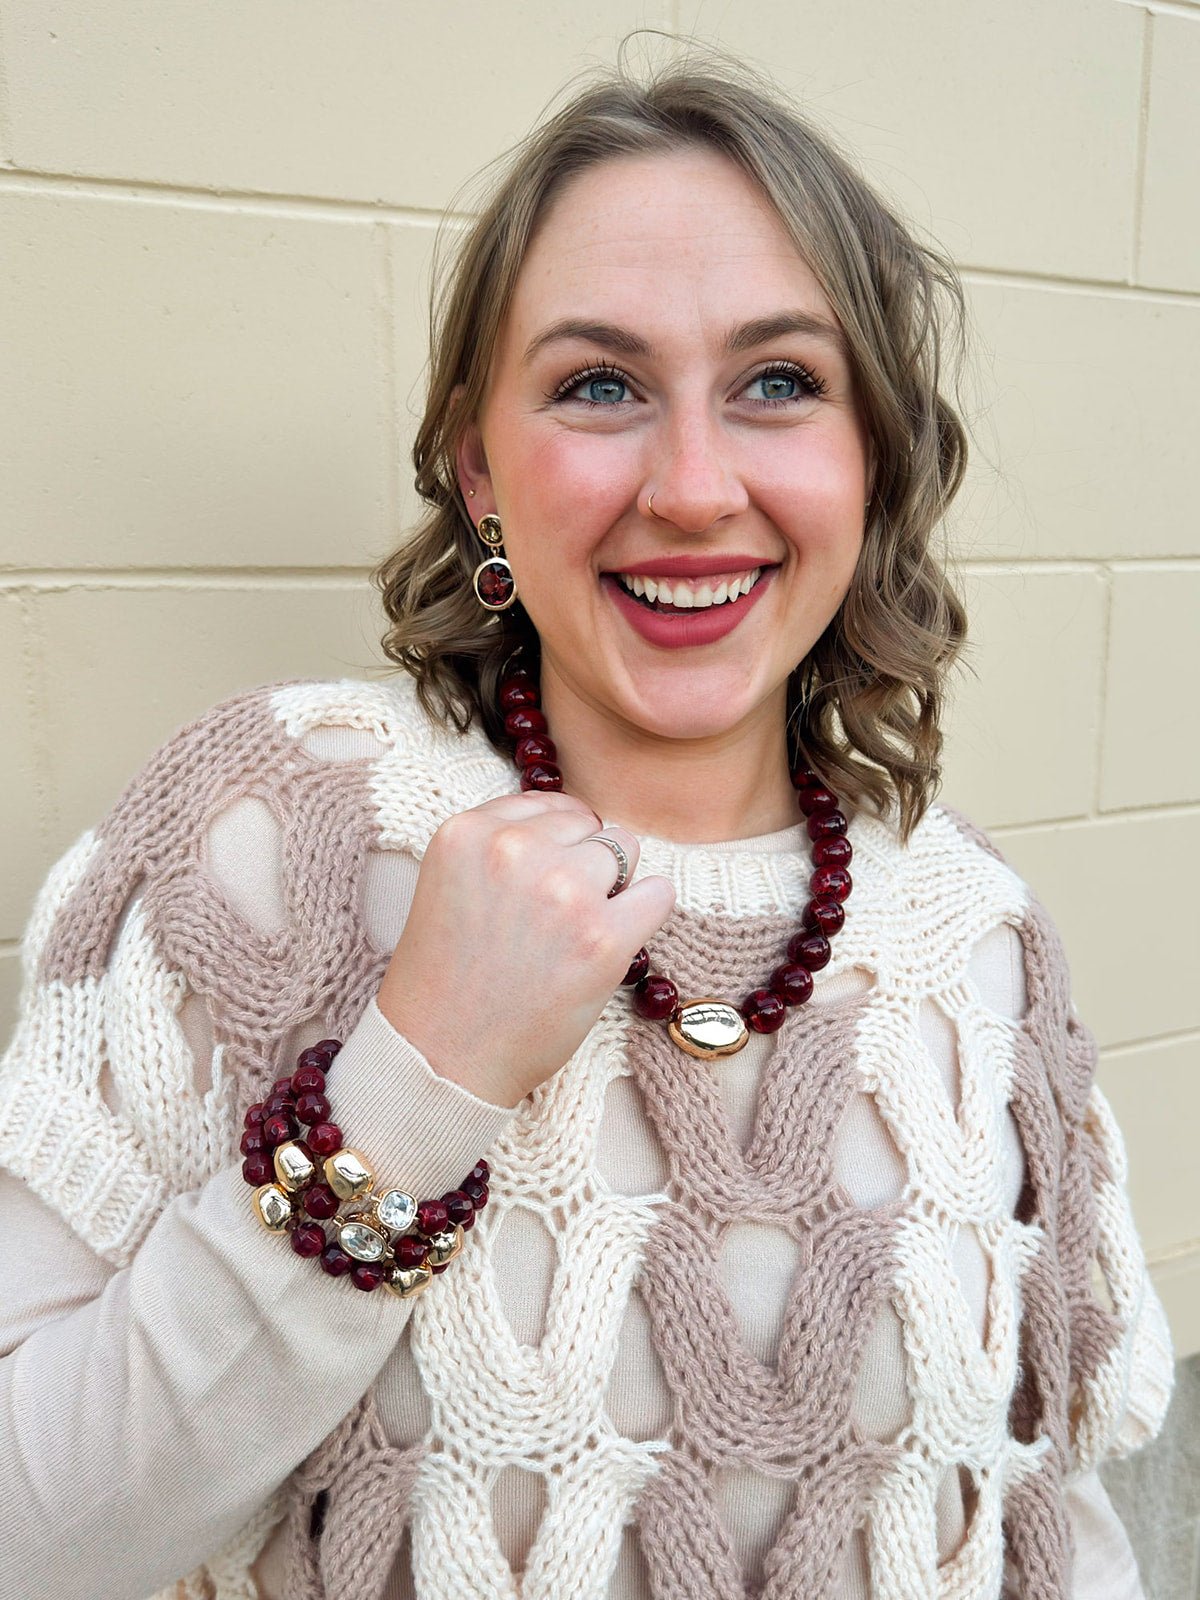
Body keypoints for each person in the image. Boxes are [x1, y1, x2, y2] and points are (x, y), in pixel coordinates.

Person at [0, 53, 1174, 1600]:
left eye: (779, 382)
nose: (693, 487)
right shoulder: (264, 841)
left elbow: (1055, 1525)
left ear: (872, 459)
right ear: (483, 476)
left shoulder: (981, 944)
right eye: (598, 385)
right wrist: (405, 1093)